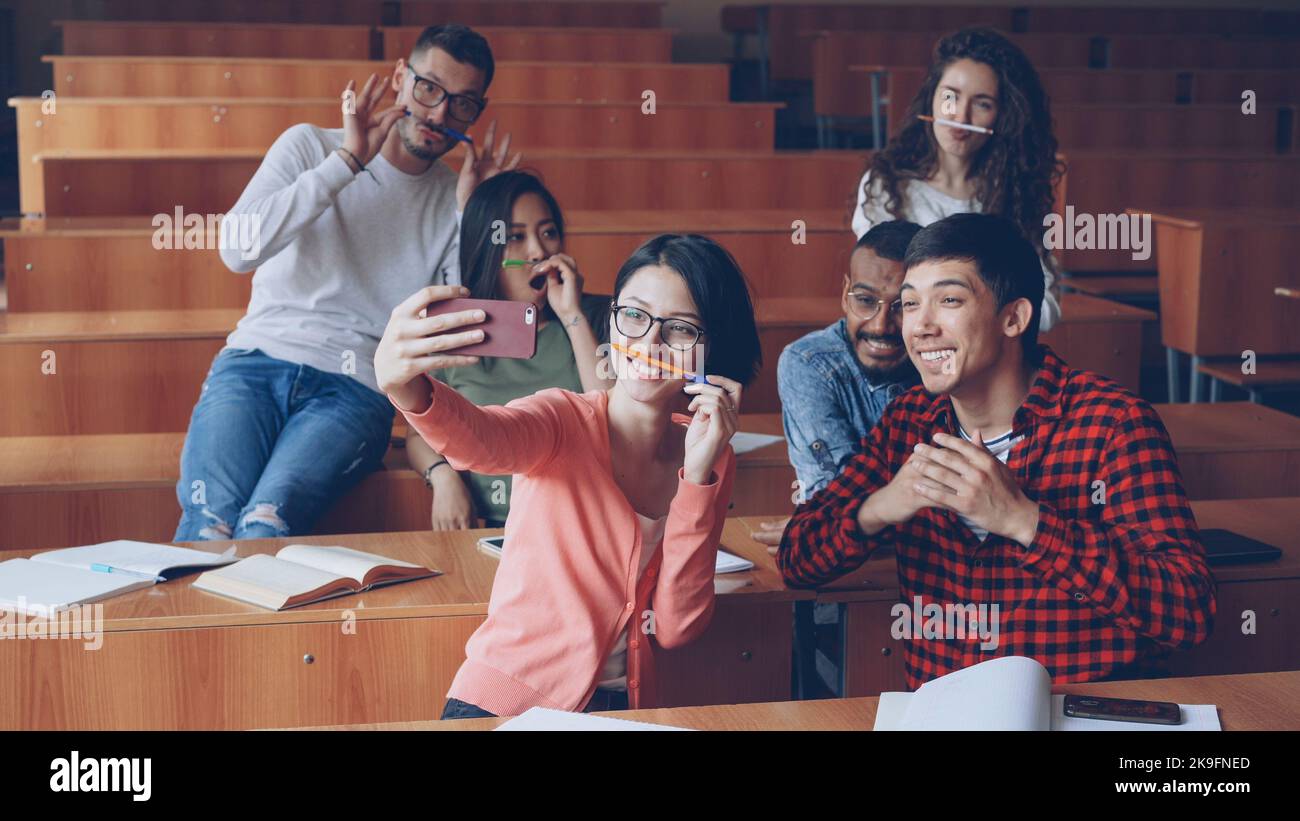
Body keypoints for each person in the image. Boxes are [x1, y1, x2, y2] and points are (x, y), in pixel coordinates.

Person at [778, 213, 1216, 687]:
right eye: (910, 304)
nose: (918, 326)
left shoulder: (1113, 423)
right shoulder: (909, 422)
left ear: (1014, 317)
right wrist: (881, 506)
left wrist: (1024, 521)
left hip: (1079, 713)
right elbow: (798, 559)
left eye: (948, 300)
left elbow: (1187, 612)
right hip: (944, 716)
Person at [375, 234, 762, 718]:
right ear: (613, 319)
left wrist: (699, 474)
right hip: (507, 706)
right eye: (635, 316)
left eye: (680, 329)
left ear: (711, 348)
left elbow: (675, 626)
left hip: (623, 712)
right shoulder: (560, 418)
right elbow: (479, 439)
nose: (650, 343)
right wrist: (406, 387)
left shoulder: (708, 455)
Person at [175, 24, 520, 540]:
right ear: (402, 77)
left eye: (462, 104)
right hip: (255, 361)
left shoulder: (453, 198)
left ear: (478, 110)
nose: (438, 115)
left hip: (355, 389)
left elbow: (457, 330)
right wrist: (346, 164)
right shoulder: (310, 146)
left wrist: (472, 215)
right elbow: (236, 250)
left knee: (263, 525)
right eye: (428, 89)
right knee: (208, 525)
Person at [405, 170, 614, 529]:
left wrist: (571, 315)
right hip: (494, 527)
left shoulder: (597, 316)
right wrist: (442, 476)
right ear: (486, 248)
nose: (538, 251)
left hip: (584, 526)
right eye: (516, 237)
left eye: (548, 233)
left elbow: (615, 416)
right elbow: (418, 432)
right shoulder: (458, 328)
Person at [851, 27, 1063, 332]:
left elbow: (1045, 308)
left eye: (982, 104)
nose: (960, 117)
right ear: (931, 101)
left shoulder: (1015, 198)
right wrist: (988, 302)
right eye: (950, 96)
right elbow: (887, 295)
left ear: (1002, 117)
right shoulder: (887, 185)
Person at [753, 220, 923, 550]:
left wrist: (832, 528)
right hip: (846, 572)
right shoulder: (809, 362)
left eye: (903, 306)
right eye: (865, 300)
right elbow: (831, 498)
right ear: (845, 293)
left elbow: (961, 514)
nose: (881, 324)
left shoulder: (943, 360)